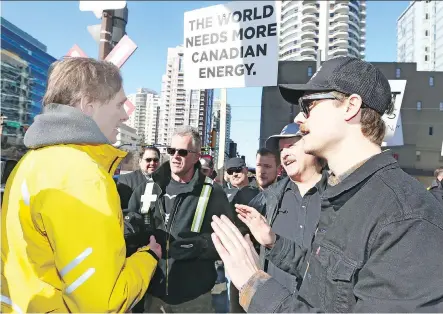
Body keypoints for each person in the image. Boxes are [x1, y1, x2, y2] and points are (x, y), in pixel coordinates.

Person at [211, 56, 443, 312]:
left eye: (309, 104)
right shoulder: (344, 193)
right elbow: (324, 280)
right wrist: (273, 242)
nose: (300, 118)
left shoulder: (406, 218)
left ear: (350, 106)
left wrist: (255, 287)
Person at [1, 58, 161, 313]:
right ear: (89, 106)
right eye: (119, 103)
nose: (126, 113)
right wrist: (149, 258)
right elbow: (103, 302)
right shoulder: (83, 174)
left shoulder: (28, 163)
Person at [127, 125, 233, 313]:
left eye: (182, 152)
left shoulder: (212, 193)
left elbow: (228, 241)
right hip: (151, 295)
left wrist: (202, 245)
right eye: (171, 150)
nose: (175, 156)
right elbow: (130, 229)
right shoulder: (147, 188)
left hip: (193, 298)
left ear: (196, 155)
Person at [239, 123, 327, 293]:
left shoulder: (338, 195)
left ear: (313, 145)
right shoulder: (266, 199)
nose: (285, 153)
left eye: (291, 146)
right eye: (281, 150)